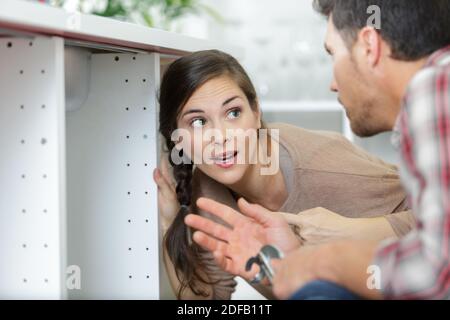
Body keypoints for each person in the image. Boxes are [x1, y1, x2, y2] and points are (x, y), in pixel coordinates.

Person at [185, 0, 450, 300]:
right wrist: (294, 264)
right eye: (197, 123)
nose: (333, 84)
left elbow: (435, 276)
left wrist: (323, 260)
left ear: (368, 47)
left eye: (333, 54)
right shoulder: (432, 95)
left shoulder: (436, 90)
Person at [153, 49, 415, 299]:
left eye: (233, 113)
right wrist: (168, 222)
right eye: (198, 122)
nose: (220, 137)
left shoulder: (321, 166)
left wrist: (351, 231)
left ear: (256, 113)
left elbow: (439, 221)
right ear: (177, 138)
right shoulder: (209, 188)